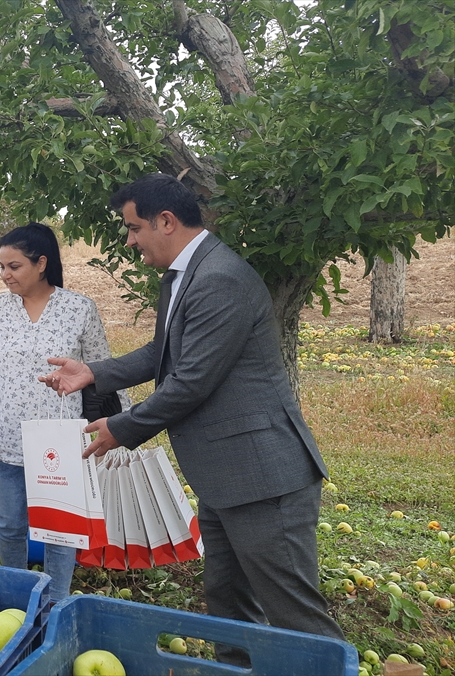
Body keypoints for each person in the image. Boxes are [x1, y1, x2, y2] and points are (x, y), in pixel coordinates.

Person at [40, 173, 344, 657]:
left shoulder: (219, 278)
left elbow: (191, 381)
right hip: (227, 476)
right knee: (228, 604)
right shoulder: (183, 276)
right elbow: (163, 353)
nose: (130, 240)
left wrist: (121, 427)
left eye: (134, 228)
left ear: (166, 221)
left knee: (295, 616)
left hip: (265, 478)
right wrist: (93, 373)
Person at [0, 222, 127, 601]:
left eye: (14, 266)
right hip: (5, 435)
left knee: (61, 525)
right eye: (1, 267)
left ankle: (56, 601)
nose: (4, 275)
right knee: (9, 523)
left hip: (61, 437)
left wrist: (120, 423)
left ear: (41, 263)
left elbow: (104, 368)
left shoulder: (78, 309)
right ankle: (16, 597)